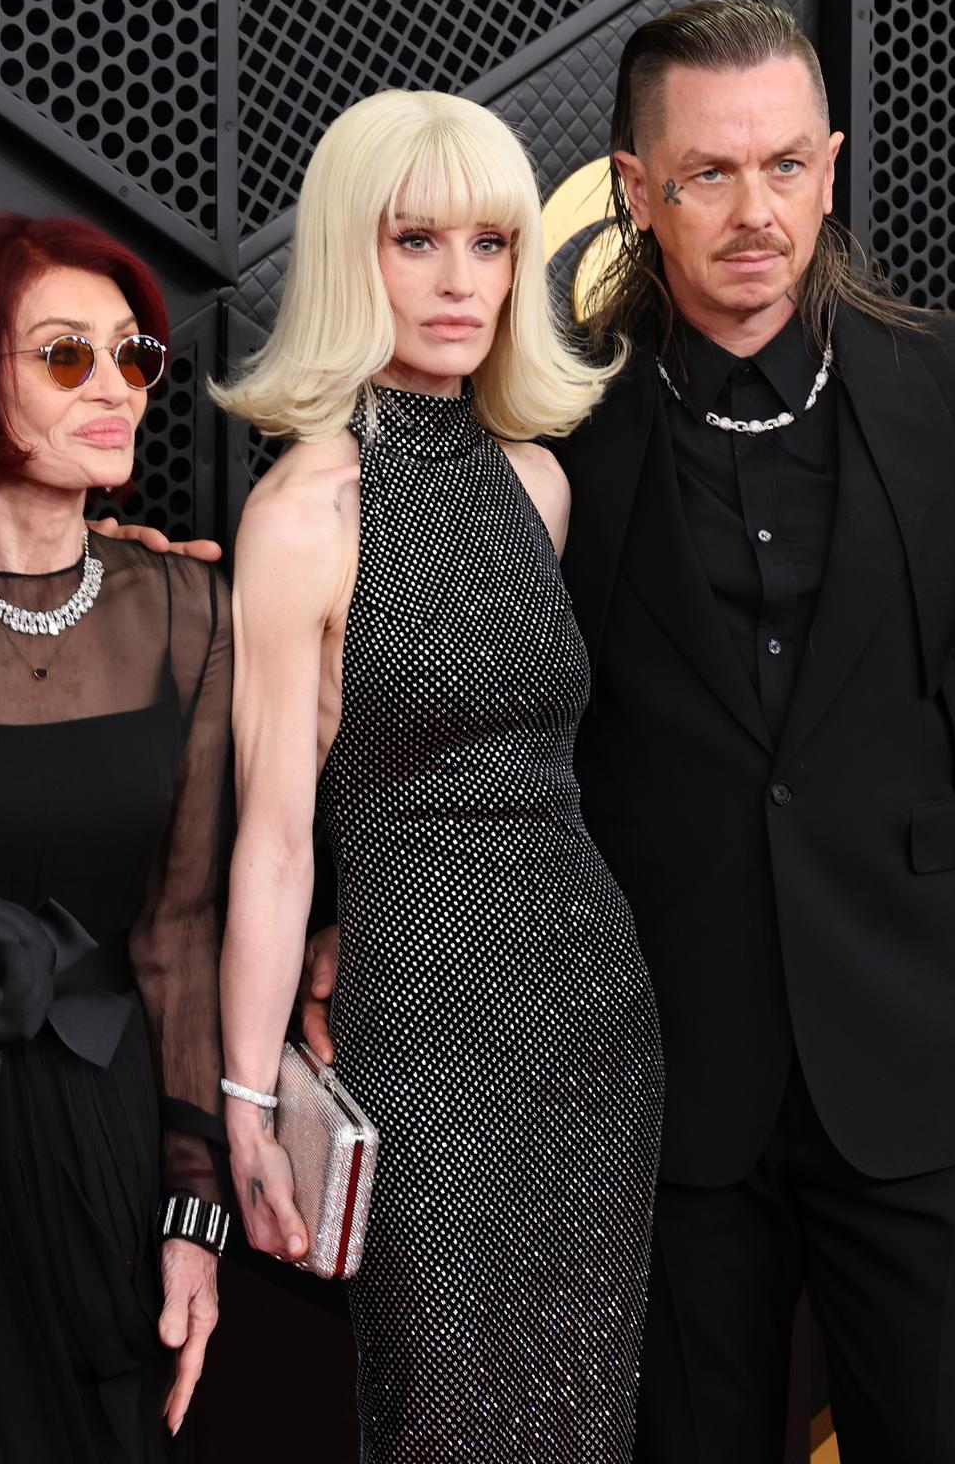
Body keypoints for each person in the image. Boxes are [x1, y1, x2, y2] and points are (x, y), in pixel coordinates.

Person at [295, 0, 955, 1463]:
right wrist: (340, 900)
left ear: (830, 166)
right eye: (709, 174)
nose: (756, 213)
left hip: (929, 1032)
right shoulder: (549, 418)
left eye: (785, 167)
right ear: (636, 189)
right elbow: (410, 669)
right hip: (650, 1055)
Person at [214, 91, 663, 1461]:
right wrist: (247, 1095)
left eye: (491, 242)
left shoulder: (540, 484)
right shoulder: (305, 513)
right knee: (446, 1410)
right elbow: (274, 839)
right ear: (352, 255)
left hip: (591, 1010)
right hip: (420, 1025)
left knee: (579, 1416)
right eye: (417, 240)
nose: (462, 280)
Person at [0, 213, 233, 1459]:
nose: (118, 388)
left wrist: (194, 1208)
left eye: (134, 356)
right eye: (67, 356)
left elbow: (182, 931)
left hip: (104, 1137)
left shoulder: (191, 607)